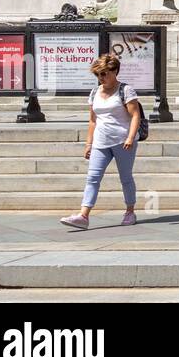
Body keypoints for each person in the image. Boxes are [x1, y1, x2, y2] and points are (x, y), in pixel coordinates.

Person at [60, 53, 142, 229]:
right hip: (100, 141)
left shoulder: (126, 90)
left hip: (122, 140)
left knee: (125, 177)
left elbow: (135, 115)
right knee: (92, 177)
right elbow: (93, 120)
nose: (101, 78)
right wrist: (88, 143)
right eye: (98, 74)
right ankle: (83, 215)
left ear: (114, 72)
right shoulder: (95, 92)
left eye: (104, 73)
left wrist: (130, 137)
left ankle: (129, 211)